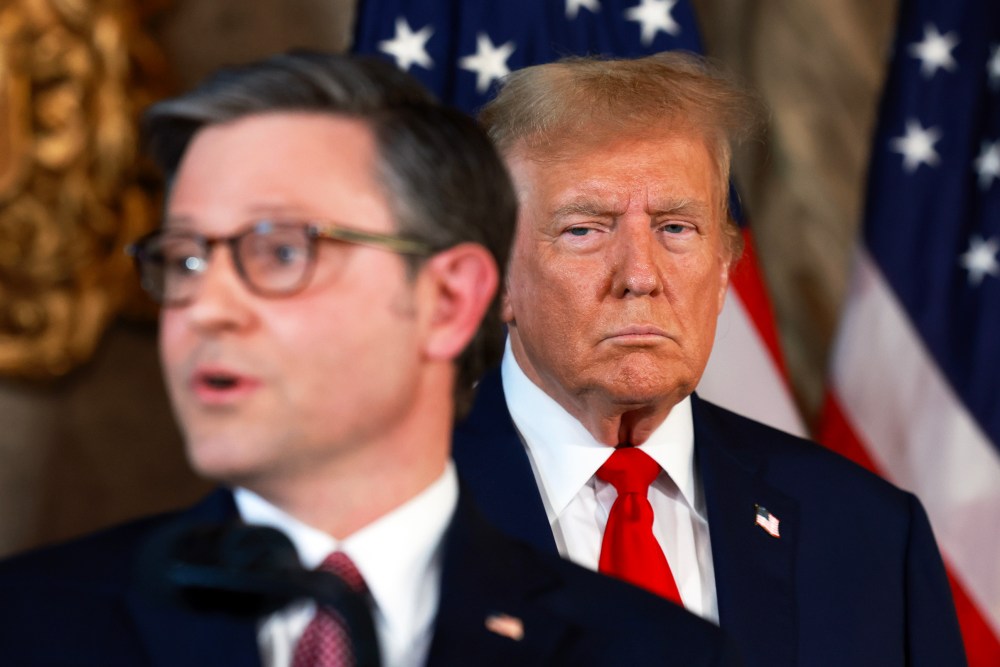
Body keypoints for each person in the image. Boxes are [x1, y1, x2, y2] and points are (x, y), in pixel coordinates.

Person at [0, 51, 740, 666]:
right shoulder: (28, 627)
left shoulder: (656, 653)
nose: (208, 306)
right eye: (186, 259)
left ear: (449, 299)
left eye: (281, 250)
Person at [453, 52, 968, 667]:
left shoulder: (870, 537)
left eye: (676, 228)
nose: (640, 276)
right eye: (585, 230)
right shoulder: (380, 508)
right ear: (496, 275)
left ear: (724, 270)